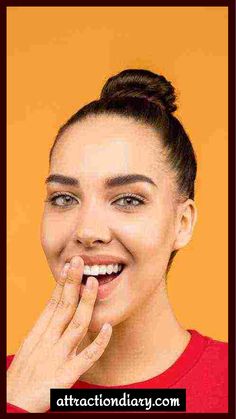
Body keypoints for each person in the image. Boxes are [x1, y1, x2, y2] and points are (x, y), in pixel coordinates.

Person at [7, 69, 228, 413]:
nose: (87, 231)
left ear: (182, 223)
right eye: (64, 198)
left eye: (128, 199)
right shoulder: (10, 388)